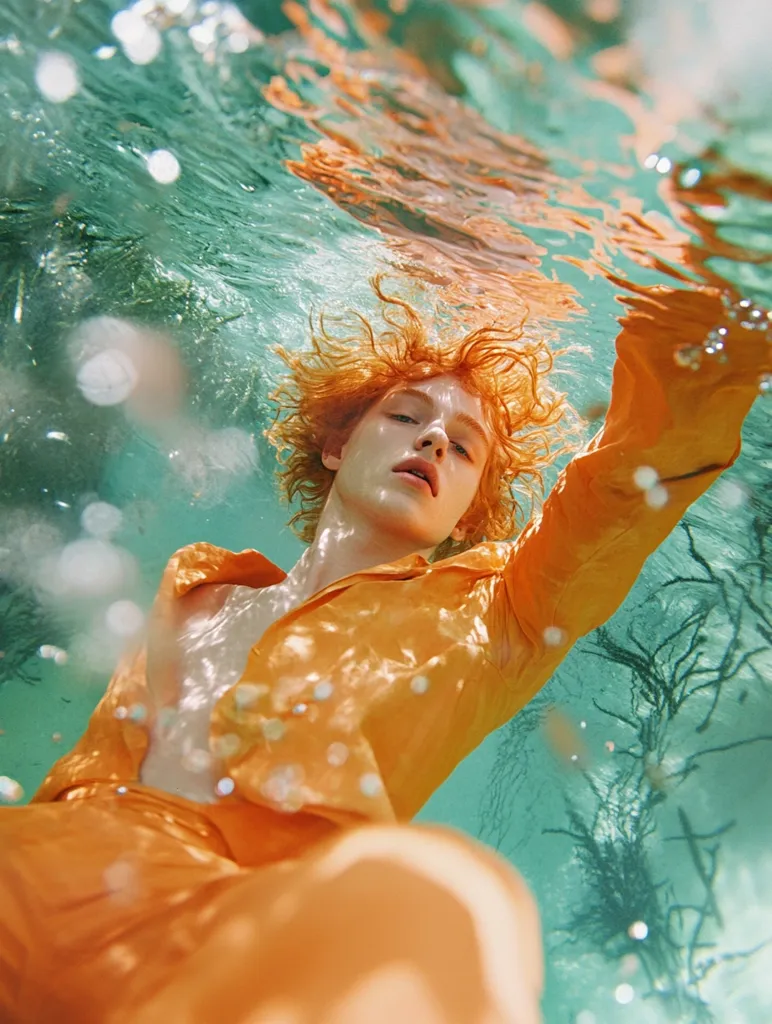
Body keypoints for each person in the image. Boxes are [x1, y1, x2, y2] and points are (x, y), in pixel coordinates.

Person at [0, 278, 768, 1024]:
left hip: (226, 938)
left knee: (436, 893)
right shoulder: (196, 585)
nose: (433, 438)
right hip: (34, 868)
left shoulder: (499, 619)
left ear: (470, 517)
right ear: (338, 444)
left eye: (464, 450)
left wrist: (711, 280)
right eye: (406, 417)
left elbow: (628, 482)